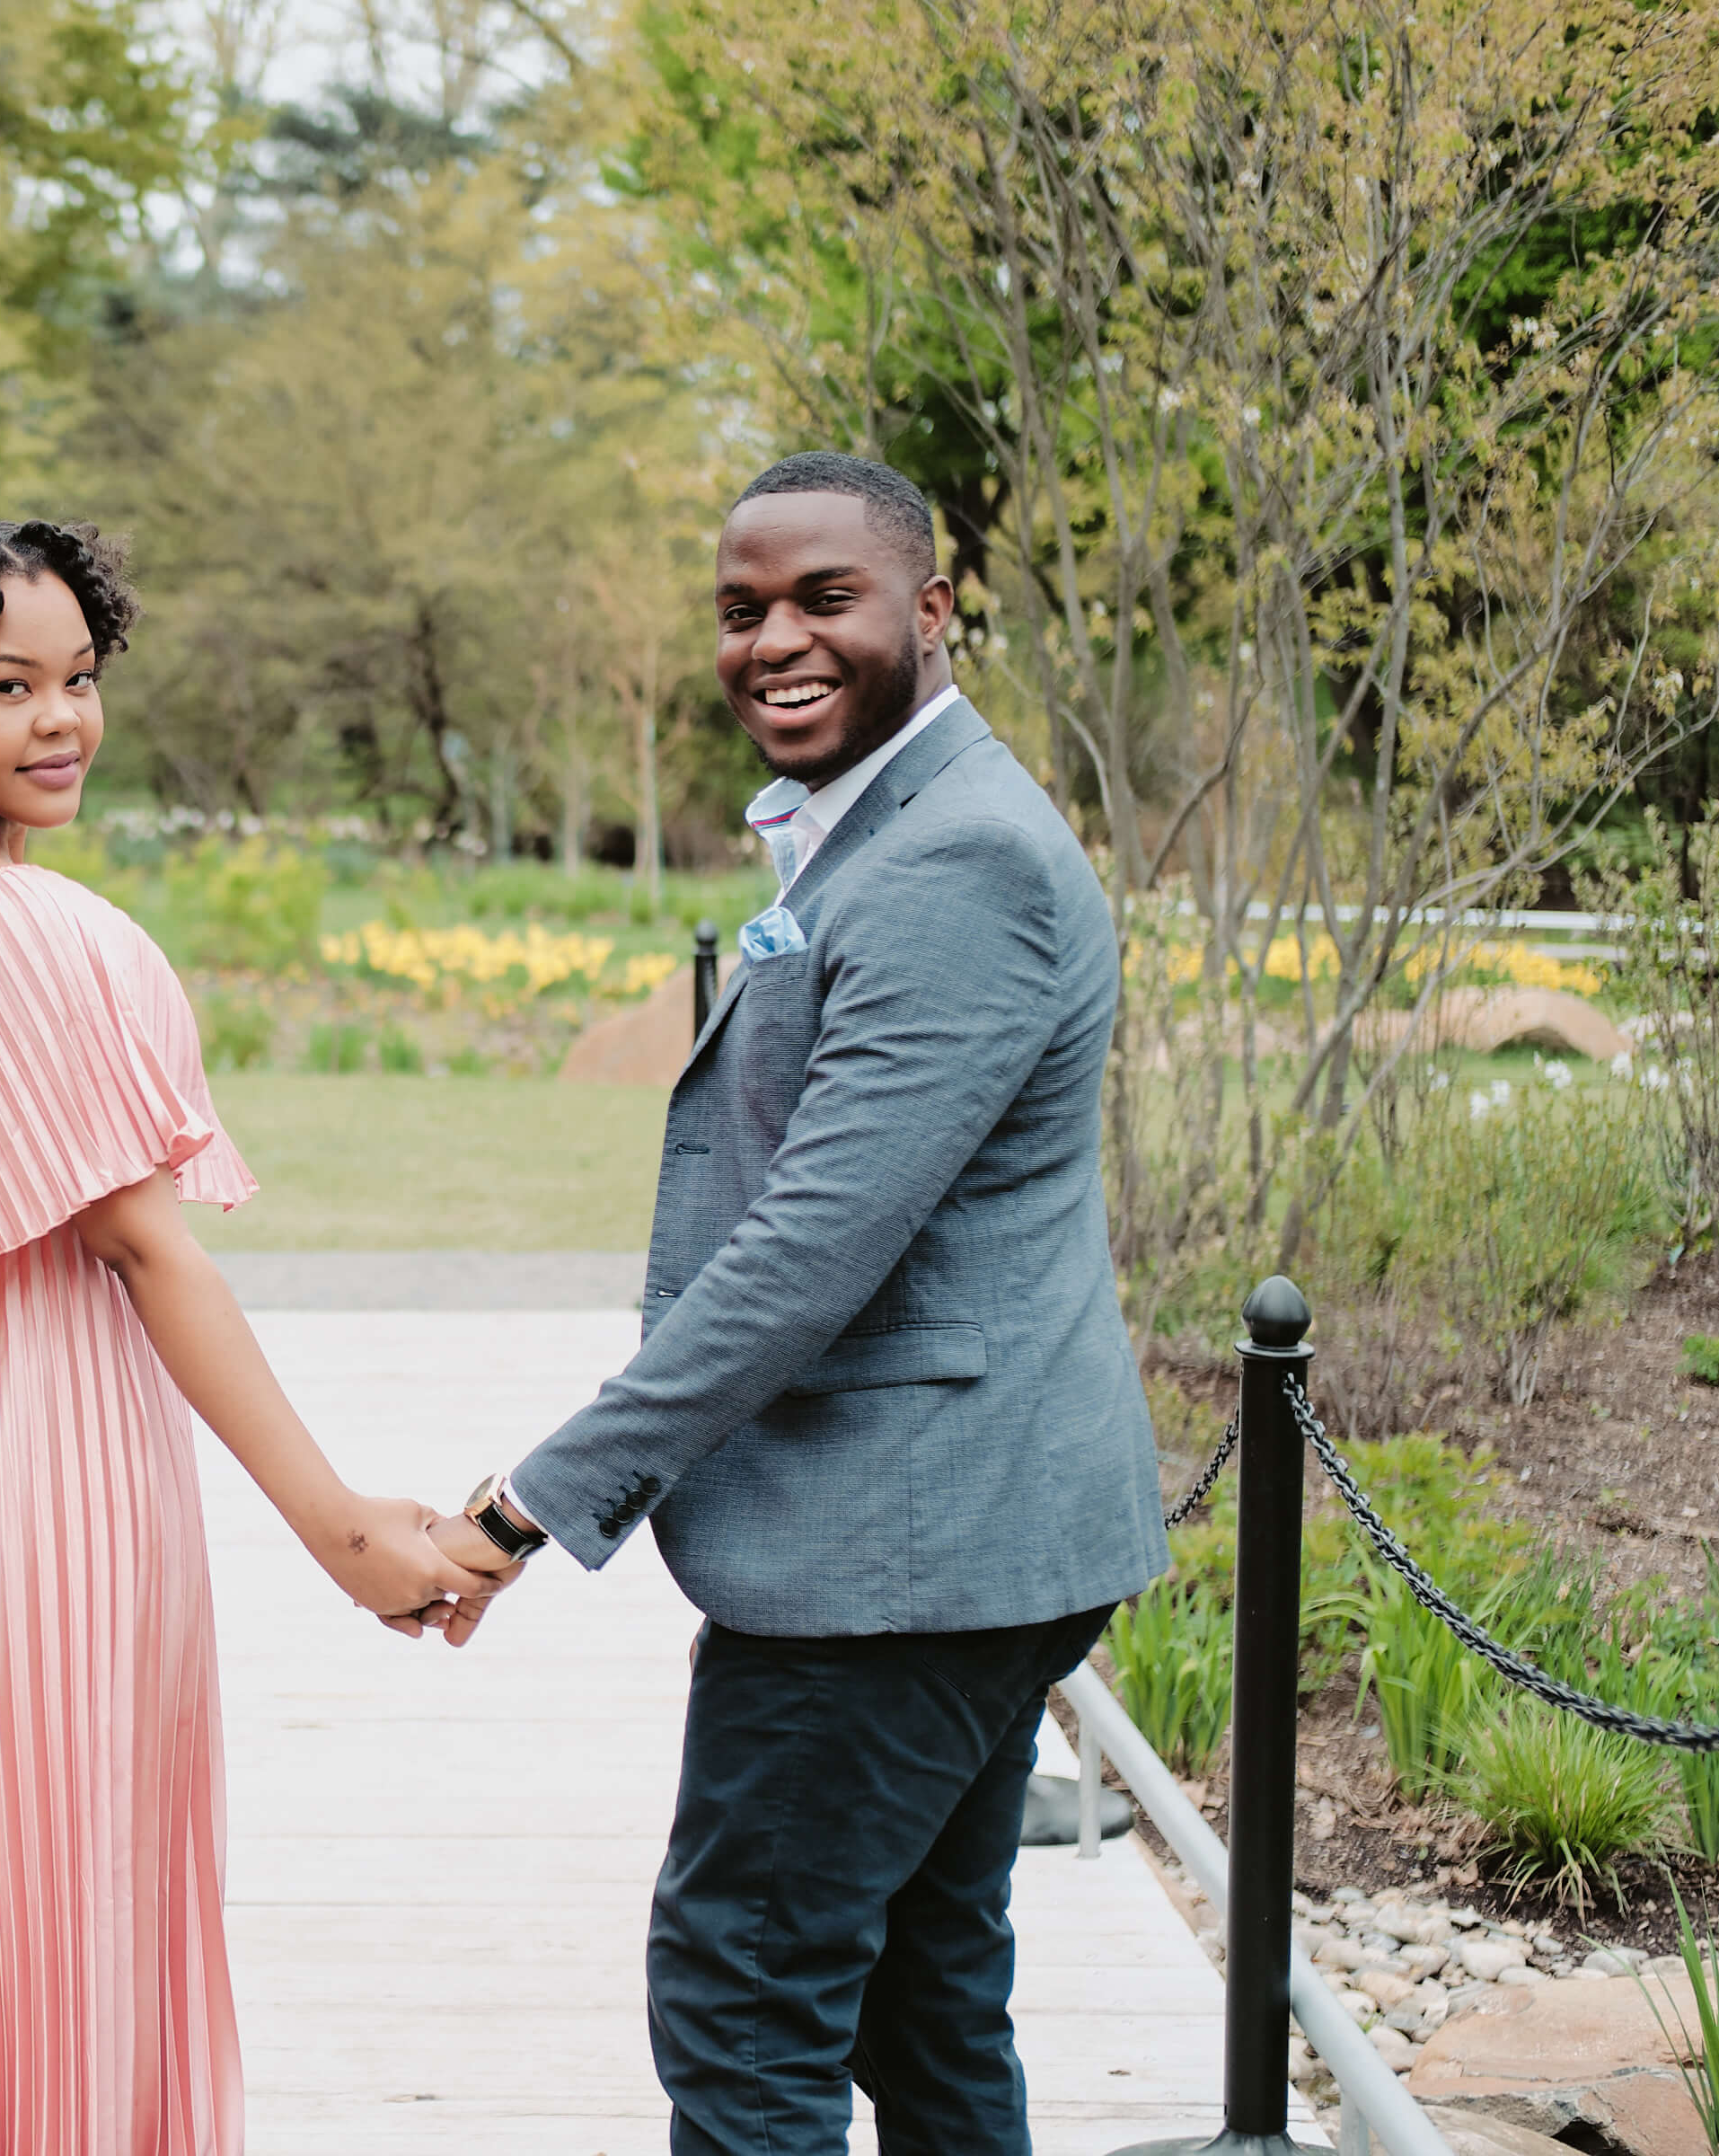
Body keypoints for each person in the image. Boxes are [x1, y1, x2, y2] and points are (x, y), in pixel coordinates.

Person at [0, 511, 502, 2156]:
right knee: (54, 1873)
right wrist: (345, 1527)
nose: (63, 720)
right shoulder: (25, 929)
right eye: (9, 685)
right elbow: (144, 1251)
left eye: (79, 678)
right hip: (35, 1453)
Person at [427, 452, 1168, 2153]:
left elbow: (811, 1251)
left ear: (929, 607)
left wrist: (525, 1506)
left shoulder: (954, 861)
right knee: (922, 1991)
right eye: (741, 609)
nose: (773, 639)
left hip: (898, 1562)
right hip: (961, 1540)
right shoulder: (893, 826)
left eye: (822, 599)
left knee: (745, 1992)